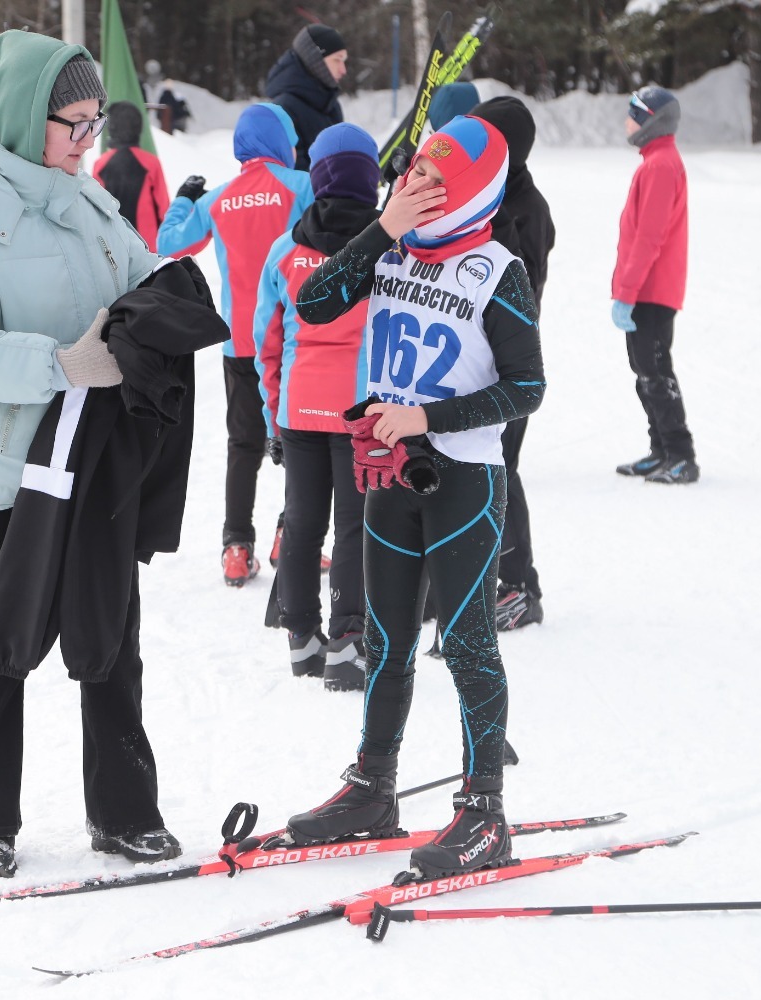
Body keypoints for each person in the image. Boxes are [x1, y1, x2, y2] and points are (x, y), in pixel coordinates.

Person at [0, 30, 183, 880]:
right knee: (0, 642)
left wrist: (169, 297)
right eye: (74, 123)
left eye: (97, 124)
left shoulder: (85, 194)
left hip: (90, 456)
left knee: (113, 631)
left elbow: (133, 275)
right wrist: (60, 365)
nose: (87, 140)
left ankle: (125, 813)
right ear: (28, 116)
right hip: (2, 470)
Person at [284, 115, 546, 879]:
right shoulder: (393, 244)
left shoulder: (498, 268)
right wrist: (379, 228)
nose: (418, 189)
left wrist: (426, 418)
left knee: (465, 644)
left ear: (471, 189)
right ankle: (372, 787)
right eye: (413, 177)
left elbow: (527, 387)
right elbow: (314, 304)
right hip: (389, 475)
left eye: (436, 181)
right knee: (386, 644)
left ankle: (485, 812)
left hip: (463, 479)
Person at [157, 103, 314, 587]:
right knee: (301, 442)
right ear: (280, 142)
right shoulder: (300, 186)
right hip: (293, 339)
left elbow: (168, 244)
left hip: (240, 342)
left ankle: (235, 547)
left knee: (242, 445)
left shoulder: (219, 199)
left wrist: (184, 199)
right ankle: (289, 534)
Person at [253, 123, 380, 691]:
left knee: (303, 524)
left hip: (299, 409)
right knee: (354, 526)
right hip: (363, 412)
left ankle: (301, 639)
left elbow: (267, 343)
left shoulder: (287, 249)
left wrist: (272, 415)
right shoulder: (389, 249)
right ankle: (348, 645)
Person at [472, 95, 557, 629]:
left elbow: (519, 283)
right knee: (467, 467)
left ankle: (519, 584)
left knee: (499, 467)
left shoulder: (526, 209)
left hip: (509, 365)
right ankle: (463, 576)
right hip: (466, 356)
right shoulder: (486, 194)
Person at [612, 85, 697, 485]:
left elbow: (650, 238)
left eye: (634, 114)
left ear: (652, 121)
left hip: (652, 291)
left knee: (656, 372)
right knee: (644, 368)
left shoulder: (660, 166)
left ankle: (681, 455)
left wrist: (627, 294)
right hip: (643, 290)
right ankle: (660, 449)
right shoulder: (654, 162)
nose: (627, 121)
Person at [265, 24, 347, 170]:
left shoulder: (331, 105)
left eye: (344, 61)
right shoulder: (283, 110)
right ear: (315, 59)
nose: (343, 70)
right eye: (337, 60)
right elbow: (292, 178)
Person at [92, 100, 170, 253]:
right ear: (138, 128)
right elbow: (164, 208)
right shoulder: (151, 163)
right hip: (148, 247)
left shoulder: (101, 164)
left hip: (114, 245)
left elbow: (96, 209)